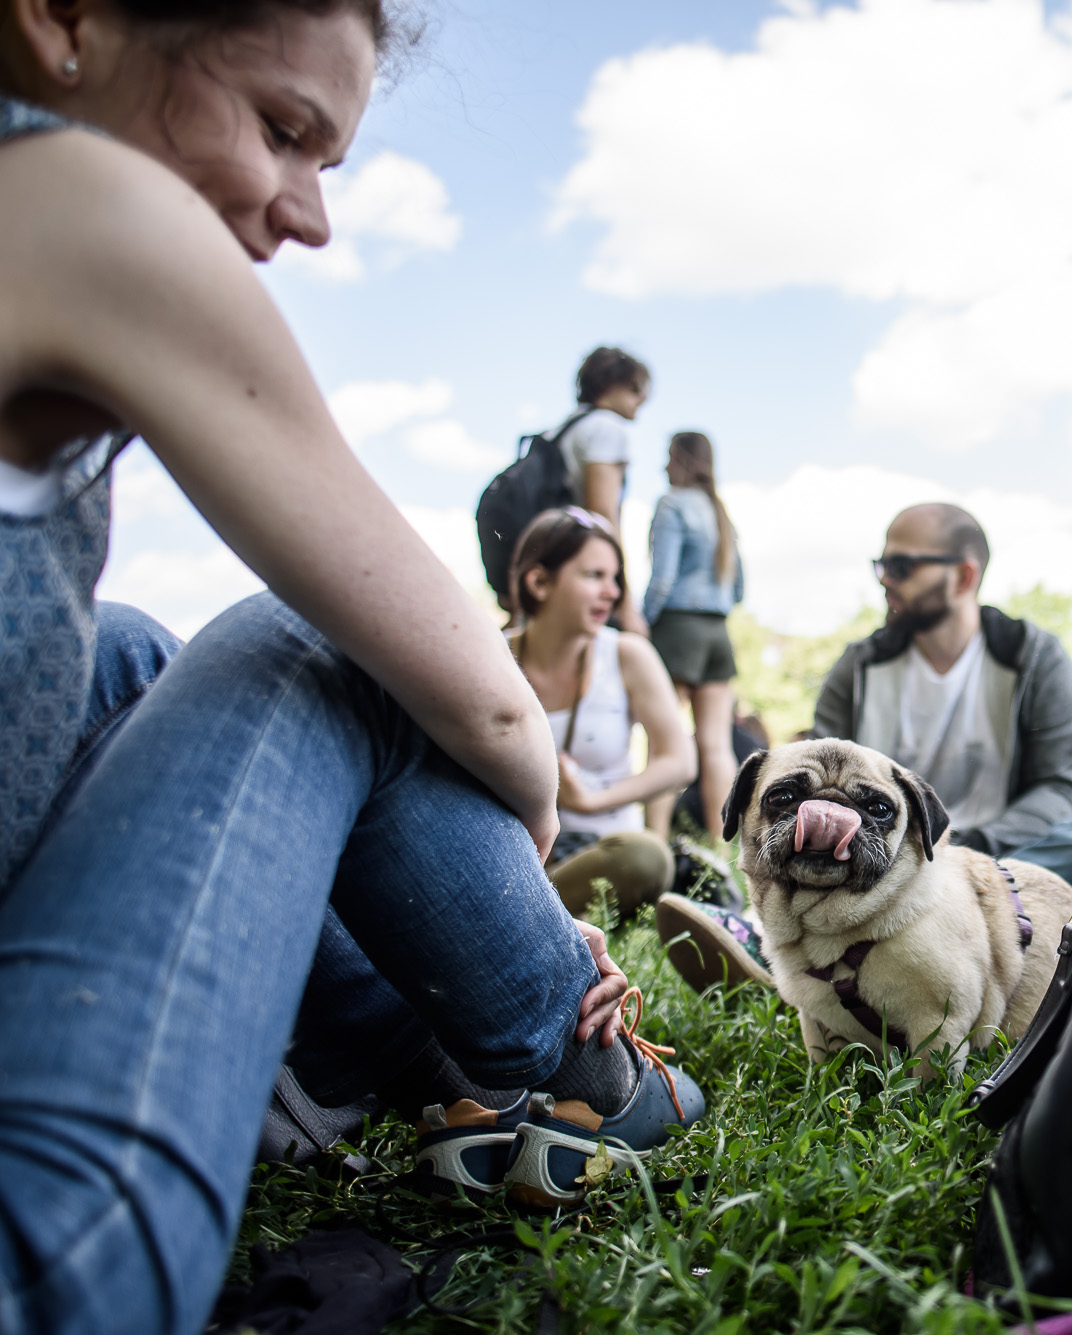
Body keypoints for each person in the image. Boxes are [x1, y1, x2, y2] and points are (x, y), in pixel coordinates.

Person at [0, 5, 700, 1327]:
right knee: (316, 647)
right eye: (281, 129)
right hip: (47, 1244)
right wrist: (530, 872)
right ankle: (579, 1058)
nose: (311, 216)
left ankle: (397, 1064)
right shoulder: (64, 193)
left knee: (130, 648)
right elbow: (483, 697)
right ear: (64, 19)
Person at [816, 503, 1072, 891]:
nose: (885, 579)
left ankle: (953, 899)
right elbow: (818, 774)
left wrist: (966, 851)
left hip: (996, 857)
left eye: (901, 566)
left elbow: (1065, 786)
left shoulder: (1033, 657)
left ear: (964, 577)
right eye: (881, 565)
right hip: (882, 858)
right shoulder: (858, 666)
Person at [512, 508, 696, 918]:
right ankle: (536, 914)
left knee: (645, 857)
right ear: (539, 582)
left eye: (615, 578)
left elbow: (679, 761)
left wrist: (592, 801)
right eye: (594, 575)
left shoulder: (628, 654)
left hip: (604, 852)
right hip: (514, 855)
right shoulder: (494, 656)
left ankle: (524, 917)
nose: (612, 593)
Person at [643, 430, 744, 842]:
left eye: (669, 456)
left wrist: (643, 622)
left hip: (678, 628)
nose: (664, 465)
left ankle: (654, 841)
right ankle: (722, 850)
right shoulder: (722, 513)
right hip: (718, 631)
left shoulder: (672, 504)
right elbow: (739, 590)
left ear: (683, 459)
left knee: (662, 741)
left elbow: (662, 579)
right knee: (716, 746)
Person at [564, 345, 651, 632]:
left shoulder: (566, 429)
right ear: (608, 384)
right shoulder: (607, 427)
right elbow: (601, 515)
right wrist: (625, 604)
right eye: (636, 388)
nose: (642, 398)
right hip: (581, 572)